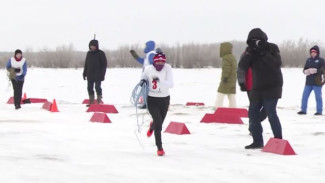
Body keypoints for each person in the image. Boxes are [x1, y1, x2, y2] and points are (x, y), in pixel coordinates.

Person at [238, 28, 283, 149]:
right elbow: (242, 67)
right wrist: (248, 53)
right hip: (257, 87)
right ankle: (257, 141)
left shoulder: (272, 48)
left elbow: (276, 64)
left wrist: (263, 52)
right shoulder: (250, 52)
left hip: (273, 86)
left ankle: (278, 140)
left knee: (271, 112)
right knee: (252, 114)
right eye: (253, 41)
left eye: (258, 41)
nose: (256, 43)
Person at [140, 50, 173, 156]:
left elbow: (171, 84)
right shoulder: (149, 69)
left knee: (159, 122)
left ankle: (152, 126)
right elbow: (143, 77)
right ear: (154, 62)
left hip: (164, 99)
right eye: (158, 62)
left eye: (162, 62)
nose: (160, 64)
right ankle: (160, 148)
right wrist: (142, 82)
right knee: (159, 124)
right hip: (152, 99)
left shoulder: (168, 68)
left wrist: (159, 80)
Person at [237, 54, 267, 133]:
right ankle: (253, 127)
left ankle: (255, 123)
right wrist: (241, 82)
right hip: (251, 86)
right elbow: (241, 69)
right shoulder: (246, 54)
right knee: (254, 107)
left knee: (267, 107)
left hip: (265, 85)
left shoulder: (265, 53)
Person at [297, 45, 325, 115]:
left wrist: (317, 70)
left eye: (315, 52)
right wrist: (304, 71)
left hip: (317, 82)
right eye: (312, 52)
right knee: (304, 96)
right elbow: (304, 69)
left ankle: (319, 111)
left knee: (318, 97)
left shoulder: (321, 60)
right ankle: (303, 110)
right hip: (308, 82)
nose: (313, 53)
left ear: (317, 52)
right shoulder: (308, 60)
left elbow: (323, 70)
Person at [83, 39, 107, 106]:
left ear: (96, 46)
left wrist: (103, 74)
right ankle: (91, 102)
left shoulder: (101, 53)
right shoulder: (89, 53)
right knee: (89, 88)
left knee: (97, 87)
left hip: (98, 74)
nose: (92, 47)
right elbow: (86, 64)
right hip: (90, 74)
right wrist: (84, 73)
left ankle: (99, 101)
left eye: (93, 46)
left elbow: (104, 65)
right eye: (91, 46)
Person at [215, 42, 237, 109]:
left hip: (227, 80)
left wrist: (224, 77)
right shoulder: (233, 57)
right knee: (231, 95)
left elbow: (227, 68)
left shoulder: (226, 58)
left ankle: (217, 108)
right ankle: (233, 108)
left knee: (220, 94)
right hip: (233, 80)